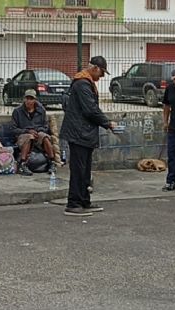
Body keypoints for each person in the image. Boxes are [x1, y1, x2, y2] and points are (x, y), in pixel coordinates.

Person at [60, 56, 116, 217]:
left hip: (83, 133)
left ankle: (84, 201)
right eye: (102, 72)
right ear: (95, 68)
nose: (102, 77)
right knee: (78, 170)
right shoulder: (82, 84)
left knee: (85, 170)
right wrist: (107, 123)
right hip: (79, 133)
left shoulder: (84, 83)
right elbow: (90, 109)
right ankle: (74, 203)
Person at [12, 89, 57, 176]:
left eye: (31, 99)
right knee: (29, 137)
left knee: (45, 137)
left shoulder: (41, 110)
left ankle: (52, 162)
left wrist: (37, 131)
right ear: (24, 99)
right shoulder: (17, 111)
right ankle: (22, 164)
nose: (28, 101)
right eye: (27, 98)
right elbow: (13, 129)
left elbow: (46, 127)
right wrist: (27, 131)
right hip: (23, 135)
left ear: (35, 100)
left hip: (37, 133)